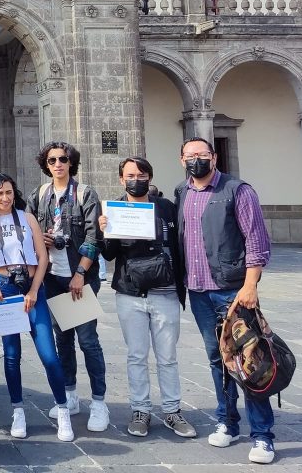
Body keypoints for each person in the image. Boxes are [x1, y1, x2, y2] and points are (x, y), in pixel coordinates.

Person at [175, 137, 275, 464]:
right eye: (191, 155)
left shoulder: (237, 190)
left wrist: (250, 285)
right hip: (199, 292)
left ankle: (262, 435)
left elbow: (257, 242)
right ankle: (227, 421)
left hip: (232, 290)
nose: (197, 160)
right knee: (219, 360)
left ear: (214, 157)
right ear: (182, 160)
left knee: (250, 359)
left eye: (203, 154)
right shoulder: (182, 193)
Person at [100, 156, 196, 439]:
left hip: (164, 292)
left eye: (141, 174)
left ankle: (172, 410)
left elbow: (181, 244)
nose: (136, 179)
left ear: (150, 177)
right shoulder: (115, 209)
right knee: (136, 355)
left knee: (167, 356)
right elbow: (108, 255)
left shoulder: (166, 208)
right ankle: (140, 410)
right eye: (130, 175)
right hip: (131, 292)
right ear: (121, 179)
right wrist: (106, 231)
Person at [0, 172, 74, 442]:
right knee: (11, 354)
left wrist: (33, 290)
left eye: (8, 192)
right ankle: (18, 410)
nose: (4, 198)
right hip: (4, 289)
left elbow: (42, 258)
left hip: (31, 288)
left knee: (48, 354)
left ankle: (62, 409)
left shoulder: (27, 218)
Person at [25, 141, 108, 432]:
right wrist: (42, 241)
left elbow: (92, 236)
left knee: (87, 340)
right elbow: (29, 231)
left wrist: (80, 273)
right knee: (63, 340)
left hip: (78, 277)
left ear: (71, 162)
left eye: (63, 159)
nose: (57, 164)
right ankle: (70, 394)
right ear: (45, 164)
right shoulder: (39, 194)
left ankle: (99, 401)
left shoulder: (85, 193)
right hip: (52, 278)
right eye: (52, 160)